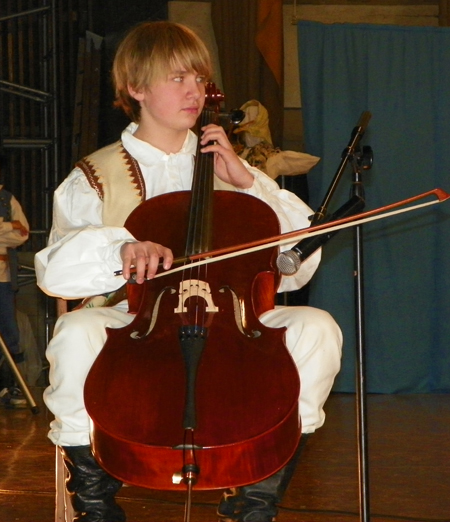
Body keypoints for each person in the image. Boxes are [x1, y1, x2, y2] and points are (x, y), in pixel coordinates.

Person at [35, 21, 342, 522]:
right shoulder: (95, 174)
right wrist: (122, 249)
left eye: (199, 80)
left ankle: (253, 499)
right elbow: (54, 271)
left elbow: (299, 262)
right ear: (136, 88)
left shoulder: (229, 166)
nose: (195, 92)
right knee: (75, 334)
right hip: (136, 324)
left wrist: (248, 185)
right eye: (178, 79)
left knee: (317, 330)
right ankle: (94, 505)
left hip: (229, 322)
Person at [0, 154, 30, 408]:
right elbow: (11, 230)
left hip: (2, 276)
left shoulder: (6, 199)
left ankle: (13, 386)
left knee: (9, 330)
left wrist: (9, 227)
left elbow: (21, 234)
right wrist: (5, 227)